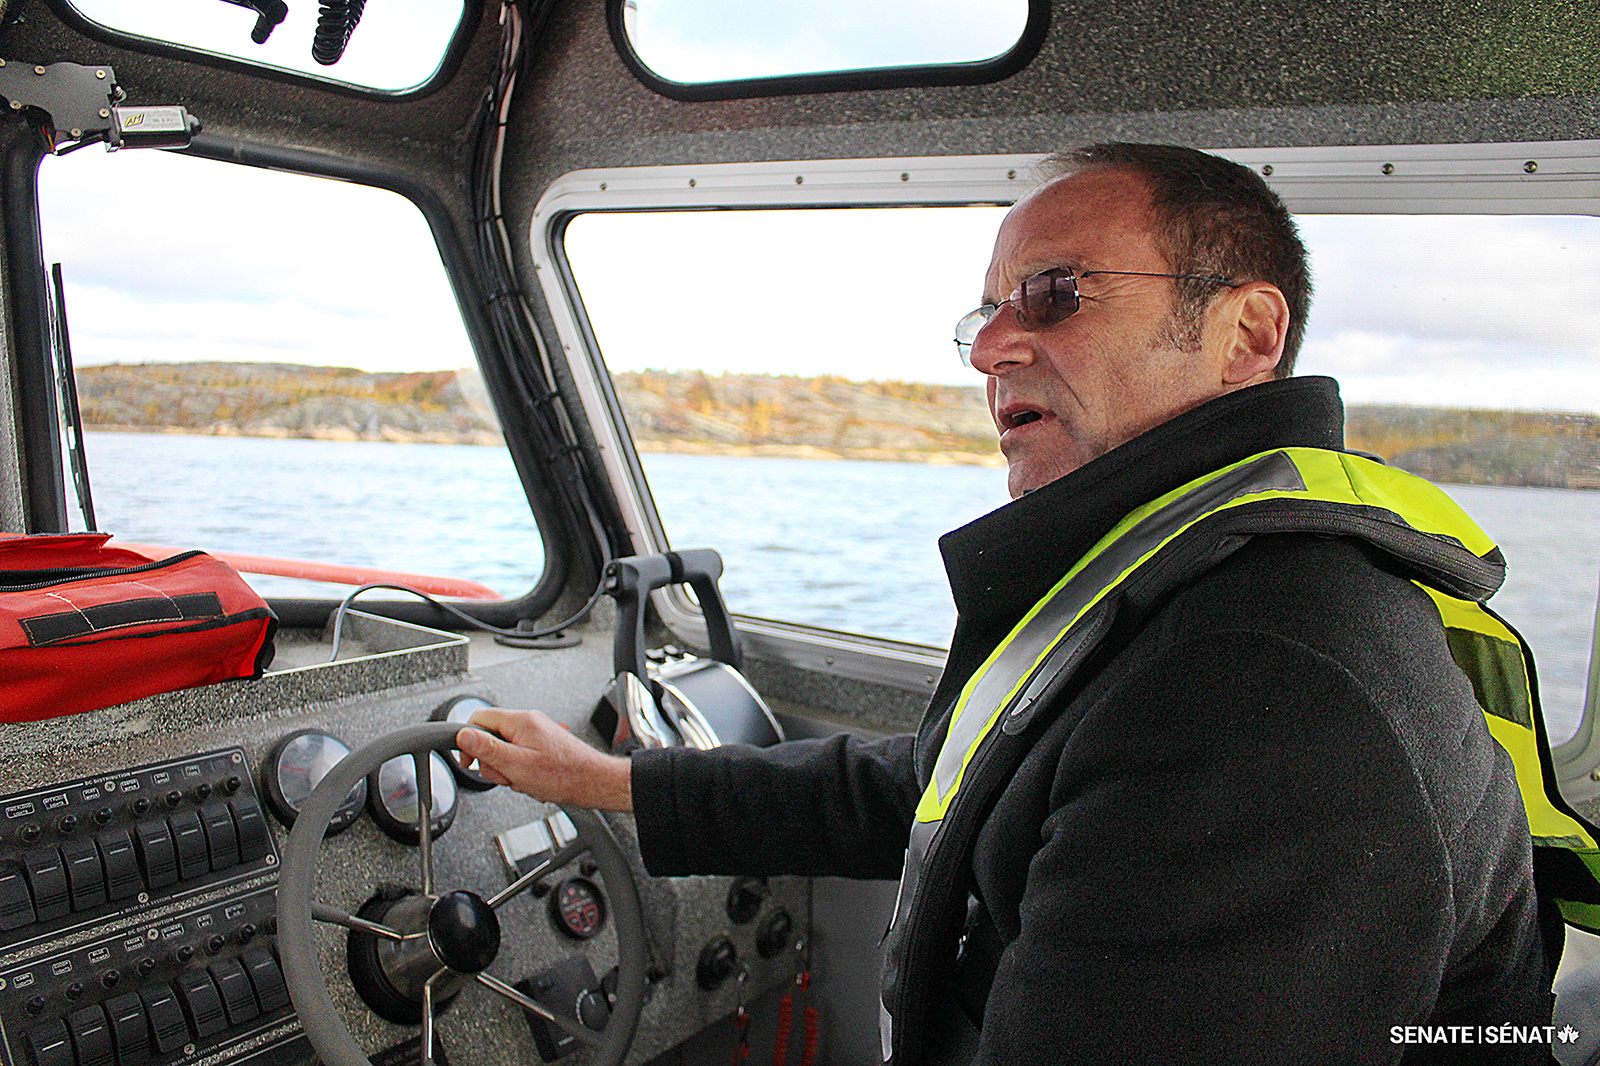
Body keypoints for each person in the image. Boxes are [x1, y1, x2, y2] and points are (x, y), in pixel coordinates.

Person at [456, 143, 1554, 1064]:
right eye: (984, 312)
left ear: (1245, 338)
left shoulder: (1256, 676)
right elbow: (947, 785)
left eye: (1056, 293)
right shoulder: (1156, 575)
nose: (988, 348)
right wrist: (600, 779)